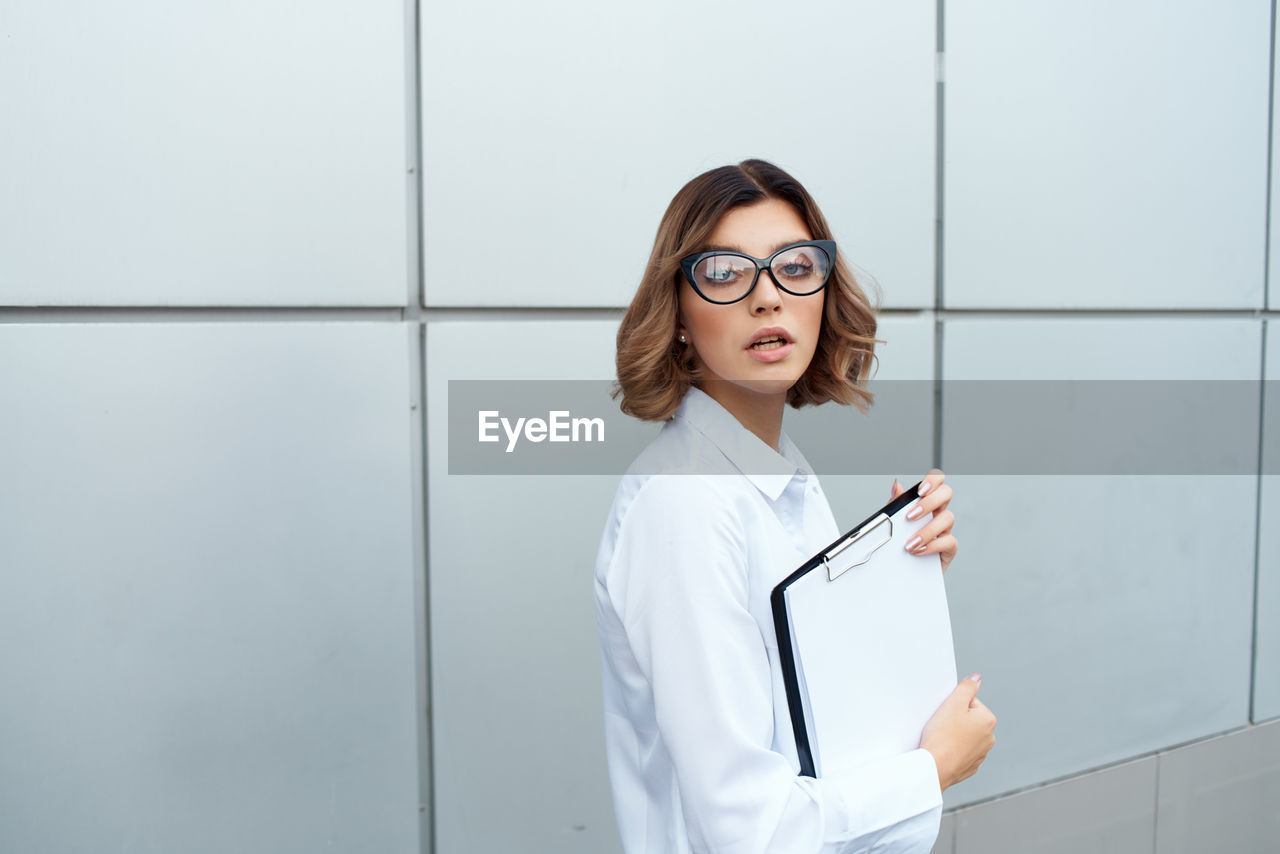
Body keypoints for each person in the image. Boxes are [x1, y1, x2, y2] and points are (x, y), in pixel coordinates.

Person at [593, 159, 997, 854]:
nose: (768, 297)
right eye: (725, 273)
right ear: (679, 315)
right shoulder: (684, 509)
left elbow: (809, 713)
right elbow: (750, 831)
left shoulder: (777, 474)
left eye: (796, 267)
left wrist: (899, 583)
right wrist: (931, 770)